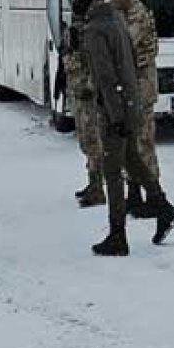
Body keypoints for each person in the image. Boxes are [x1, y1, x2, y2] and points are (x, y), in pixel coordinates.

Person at [71, 0, 174, 256]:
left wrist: (115, 115)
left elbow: (105, 76)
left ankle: (117, 234)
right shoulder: (115, 18)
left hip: (114, 107)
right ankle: (163, 206)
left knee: (112, 168)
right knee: (131, 157)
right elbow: (128, 62)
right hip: (129, 100)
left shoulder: (95, 28)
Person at [106, 0, 166, 219]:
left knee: (144, 143)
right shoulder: (124, 13)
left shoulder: (137, 15)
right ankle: (135, 192)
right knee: (132, 144)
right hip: (133, 87)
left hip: (142, 87)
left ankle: (154, 194)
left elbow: (126, 44)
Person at [64, 16, 107, 208]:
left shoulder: (90, 29)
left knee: (92, 140)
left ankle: (98, 187)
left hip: (88, 94)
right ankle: (93, 182)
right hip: (79, 91)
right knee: (85, 140)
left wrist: (90, 86)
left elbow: (92, 62)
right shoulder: (77, 28)